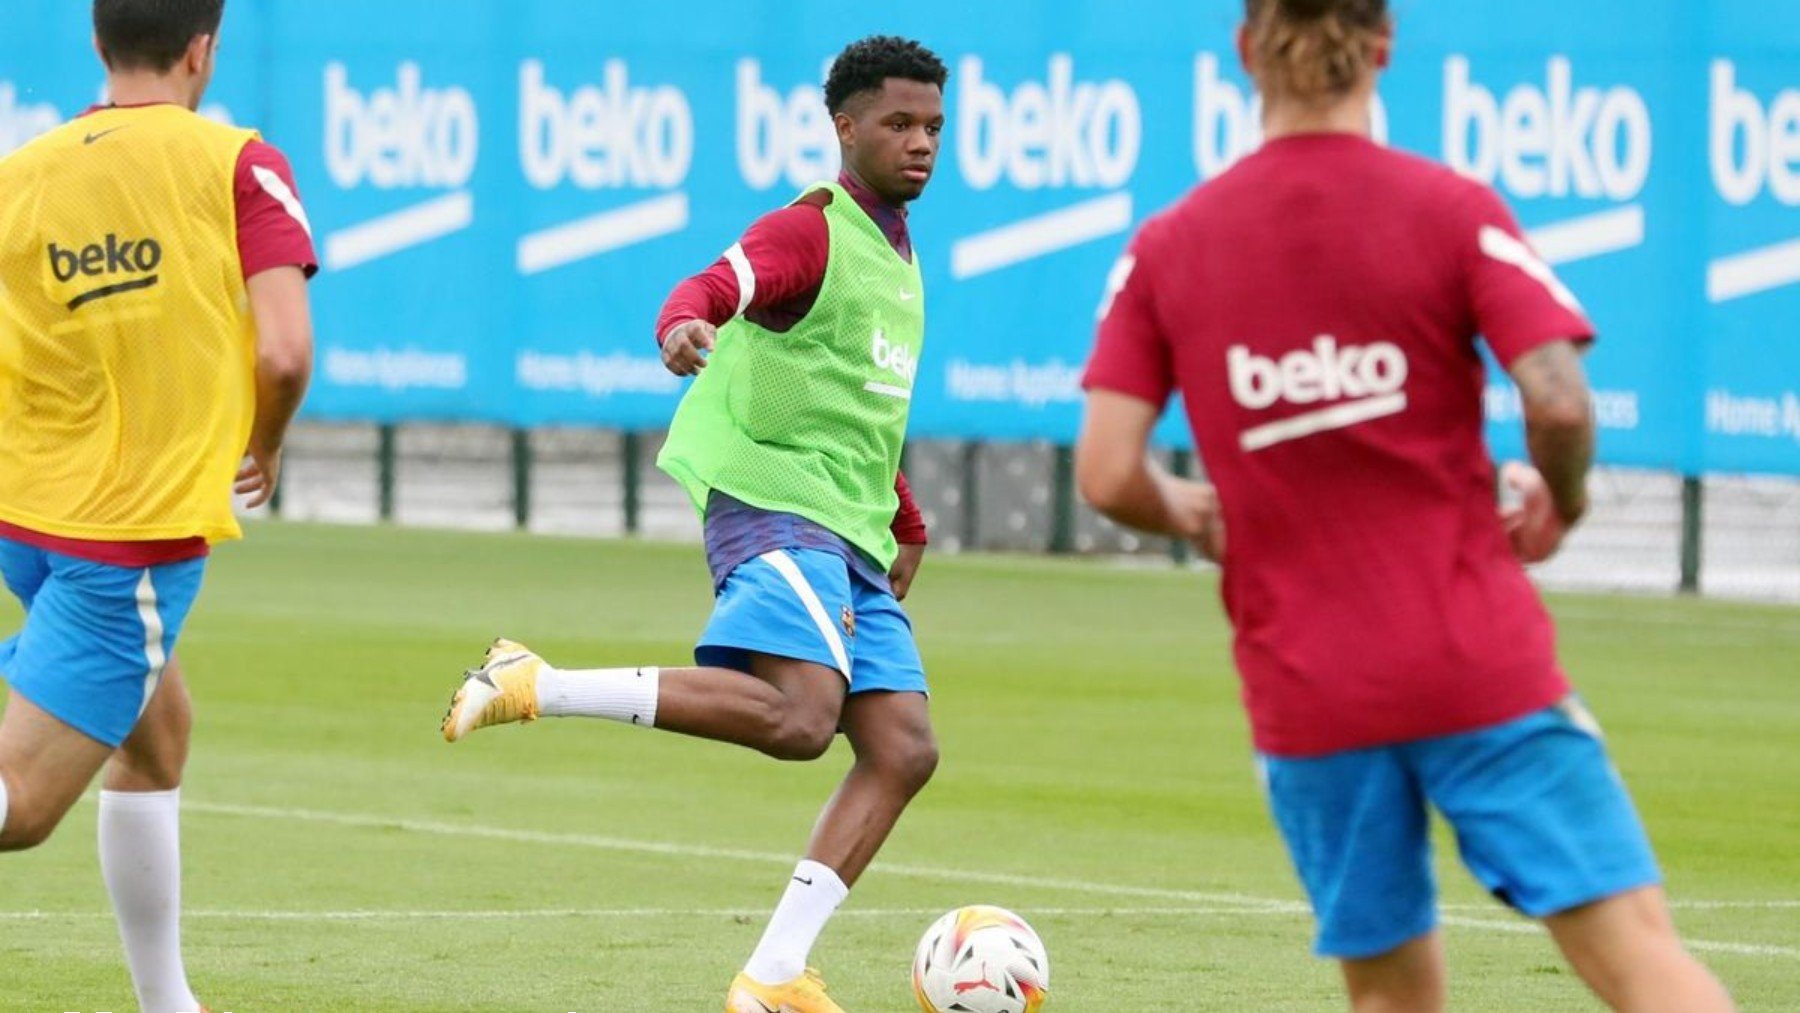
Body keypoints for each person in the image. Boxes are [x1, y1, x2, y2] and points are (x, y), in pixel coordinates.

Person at [1074, 1, 1735, 1010]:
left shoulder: (1168, 245)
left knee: (1388, 995)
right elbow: (1555, 398)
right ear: (1383, 47)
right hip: (1476, 661)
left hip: (1308, 686)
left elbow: (1108, 472)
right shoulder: (1453, 208)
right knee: (1640, 960)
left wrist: (1201, 513)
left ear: (1246, 52)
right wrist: (1559, 499)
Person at [441, 35, 946, 1013]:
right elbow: (709, 287)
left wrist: (907, 513)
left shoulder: (902, 256)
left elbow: (856, 402)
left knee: (903, 746)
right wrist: (680, 327)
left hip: (849, 522)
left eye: (931, 126)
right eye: (898, 123)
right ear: (844, 127)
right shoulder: (812, 228)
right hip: (772, 502)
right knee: (802, 719)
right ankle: (532, 680)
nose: (919, 142)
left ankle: (772, 975)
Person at [0, 1, 317, 1010]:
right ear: (202, 48)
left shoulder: (25, 172)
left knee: (156, 732)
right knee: (20, 806)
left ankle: (166, 1001)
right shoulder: (238, 163)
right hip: (127, 535)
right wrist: (260, 447)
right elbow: (283, 348)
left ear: (98, 45)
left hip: (24, 517)